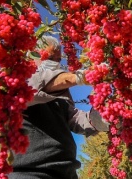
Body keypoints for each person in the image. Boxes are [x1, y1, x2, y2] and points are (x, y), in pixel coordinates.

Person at [8, 35, 108, 179]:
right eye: (49, 58)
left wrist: (97, 119)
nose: (55, 64)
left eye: (57, 60)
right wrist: (80, 76)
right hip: (29, 172)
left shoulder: (62, 91)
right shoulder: (17, 81)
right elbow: (36, 86)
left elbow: (73, 118)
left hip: (67, 171)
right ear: (32, 57)